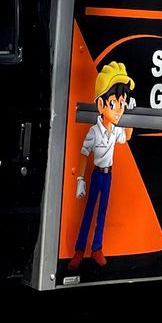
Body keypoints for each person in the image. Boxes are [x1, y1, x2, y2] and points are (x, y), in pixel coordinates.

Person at [69, 60, 134, 268]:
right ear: (101, 104)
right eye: (115, 103)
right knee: (89, 211)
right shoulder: (94, 132)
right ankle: (79, 250)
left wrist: (130, 115)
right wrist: (80, 178)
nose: (119, 110)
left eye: (122, 104)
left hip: (108, 175)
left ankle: (97, 248)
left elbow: (127, 136)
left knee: (103, 211)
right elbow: (84, 153)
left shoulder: (116, 130)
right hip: (96, 174)